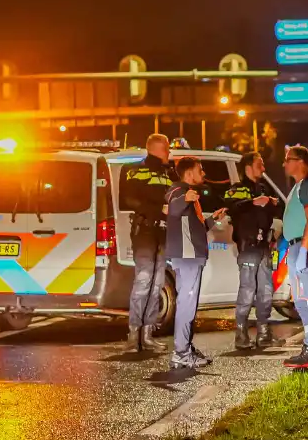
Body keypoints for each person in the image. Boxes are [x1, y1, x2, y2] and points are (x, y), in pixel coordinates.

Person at [165, 157, 227, 369]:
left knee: (188, 304)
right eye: (200, 170)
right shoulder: (179, 192)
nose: (203, 173)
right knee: (186, 305)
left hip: (190, 256)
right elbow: (172, 207)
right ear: (189, 174)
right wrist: (186, 199)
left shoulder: (188, 196)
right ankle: (181, 352)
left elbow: (193, 228)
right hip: (187, 257)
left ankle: (185, 348)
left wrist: (212, 220)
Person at [119, 134, 174, 353]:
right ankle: (134, 335)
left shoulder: (169, 172)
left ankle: (148, 334)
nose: (169, 153)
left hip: (163, 233)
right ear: (157, 149)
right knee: (143, 281)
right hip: (144, 231)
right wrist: (157, 210)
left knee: (157, 284)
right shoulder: (133, 170)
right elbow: (128, 199)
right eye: (167, 149)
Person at [224, 152, 280, 349]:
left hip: (264, 247)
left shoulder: (262, 189)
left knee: (266, 291)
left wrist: (272, 204)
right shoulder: (236, 190)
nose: (263, 169)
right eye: (260, 164)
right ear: (248, 167)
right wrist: (254, 202)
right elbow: (231, 207)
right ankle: (241, 334)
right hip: (248, 248)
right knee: (247, 291)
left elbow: (274, 211)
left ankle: (264, 333)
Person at [279, 145, 308, 371]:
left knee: (305, 299)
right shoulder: (300, 186)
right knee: (301, 299)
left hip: (303, 245)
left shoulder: (307, 186)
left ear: (300, 162)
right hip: (298, 245)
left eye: (288, 159)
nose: (285, 163)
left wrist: (304, 251)